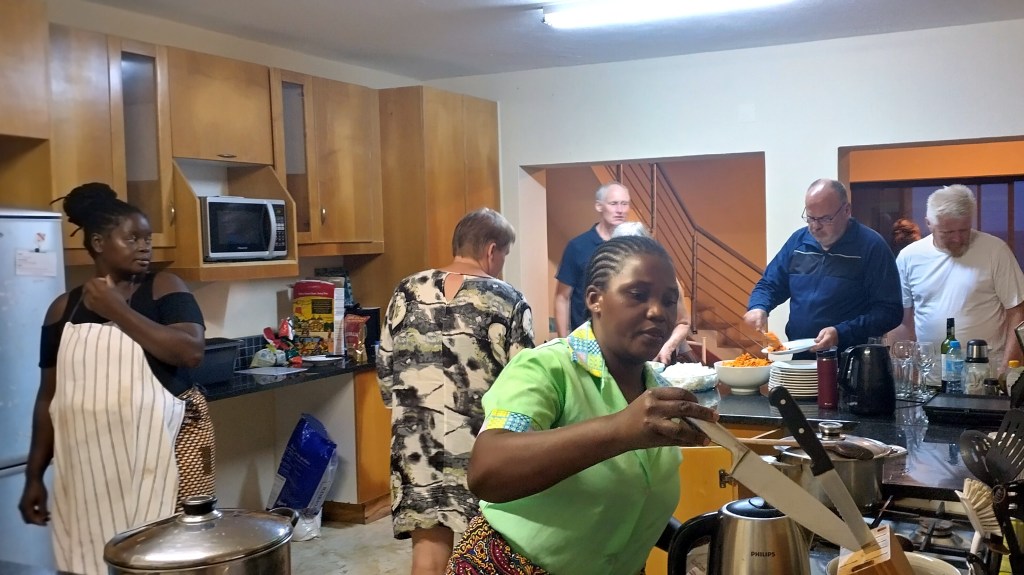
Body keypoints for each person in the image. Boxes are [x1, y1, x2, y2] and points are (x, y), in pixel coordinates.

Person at [446, 235, 719, 575]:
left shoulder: (657, 392)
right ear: (594, 299)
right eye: (638, 294)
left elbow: (632, 497)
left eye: (669, 301)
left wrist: (691, 540)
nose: (657, 312)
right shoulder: (547, 369)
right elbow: (487, 470)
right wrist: (619, 429)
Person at [18, 183, 214, 575]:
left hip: (168, 452)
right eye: (133, 238)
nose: (145, 248)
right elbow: (48, 398)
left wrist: (116, 309)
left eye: (148, 239)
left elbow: (190, 351)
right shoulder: (62, 309)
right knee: (88, 557)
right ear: (98, 243)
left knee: (174, 556)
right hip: (89, 468)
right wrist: (34, 475)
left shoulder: (163, 287)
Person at [377, 207, 535, 575]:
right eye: (505, 255)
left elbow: (385, 366)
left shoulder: (406, 290)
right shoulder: (509, 299)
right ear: (492, 250)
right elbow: (525, 382)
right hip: (482, 447)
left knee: (428, 551)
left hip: (416, 442)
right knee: (489, 553)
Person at [744, 178, 902, 353]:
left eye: (825, 219)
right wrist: (758, 306)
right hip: (800, 355)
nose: (815, 226)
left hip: (849, 358)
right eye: (810, 218)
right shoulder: (798, 242)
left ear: (847, 210)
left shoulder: (871, 246)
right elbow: (770, 284)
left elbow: (890, 312)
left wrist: (841, 332)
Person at [891, 184, 1024, 367]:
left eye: (964, 230)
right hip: (930, 372)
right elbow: (903, 322)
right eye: (948, 232)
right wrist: (902, 368)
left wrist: (1008, 367)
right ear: (929, 223)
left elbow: (1017, 312)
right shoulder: (908, 257)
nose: (958, 239)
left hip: (986, 372)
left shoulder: (995, 251)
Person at [554, 181, 631, 337]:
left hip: (625, 336)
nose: (620, 210)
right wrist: (564, 343)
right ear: (599, 206)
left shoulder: (635, 245)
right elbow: (562, 297)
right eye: (614, 204)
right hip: (586, 338)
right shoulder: (578, 246)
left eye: (624, 204)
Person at [612, 221, 697, 363]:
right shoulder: (609, 282)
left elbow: (683, 322)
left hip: (659, 358)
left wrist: (667, 348)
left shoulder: (668, 281)